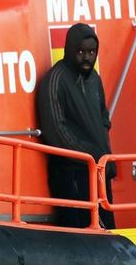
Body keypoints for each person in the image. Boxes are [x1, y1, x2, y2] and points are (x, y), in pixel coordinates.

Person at [36, 23, 115, 229]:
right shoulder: (55, 79)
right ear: (70, 49)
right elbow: (56, 131)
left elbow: (103, 121)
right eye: (81, 52)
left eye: (91, 52)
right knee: (79, 231)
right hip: (70, 172)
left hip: (98, 170)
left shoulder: (94, 80)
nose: (87, 57)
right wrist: (91, 155)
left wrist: (106, 157)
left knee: (106, 229)